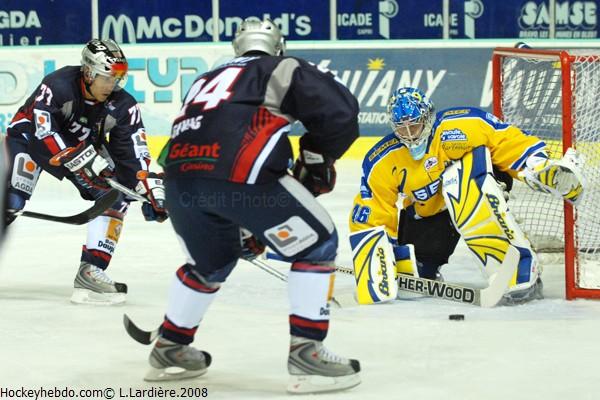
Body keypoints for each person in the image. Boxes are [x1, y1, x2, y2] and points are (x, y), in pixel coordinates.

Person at [142, 18, 361, 394]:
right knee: (318, 242)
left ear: (236, 46)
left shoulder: (202, 81)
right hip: (240, 176)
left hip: (180, 181)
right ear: (278, 46)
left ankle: (170, 346)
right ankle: (307, 351)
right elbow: (341, 113)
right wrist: (316, 158)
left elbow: (198, 130)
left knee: (212, 261)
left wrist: (244, 222)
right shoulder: (282, 67)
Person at [349, 87, 584, 306]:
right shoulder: (383, 160)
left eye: (415, 126)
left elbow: (506, 141)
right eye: (402, 128)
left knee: (459, 185)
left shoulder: (461, 126)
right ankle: (427, 266)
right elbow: (373, 207)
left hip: (476, 189)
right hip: (431, 212)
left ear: (428, 117)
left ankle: (517, 264)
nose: (409, 135)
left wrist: (537, 165)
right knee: (413, 282)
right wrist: (381, 255)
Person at [3, 39, 167, 305]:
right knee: (11, 201)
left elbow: (132, 155)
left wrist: (146, 187)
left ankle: (91, 270)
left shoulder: (124, 106)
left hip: (83, 149)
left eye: (117, 78)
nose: (112, 84)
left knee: (116, 194)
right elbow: (43, 130)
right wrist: (76, 159)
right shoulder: (58, 85)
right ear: (89, 72)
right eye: (107, 77)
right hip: (30, 141)